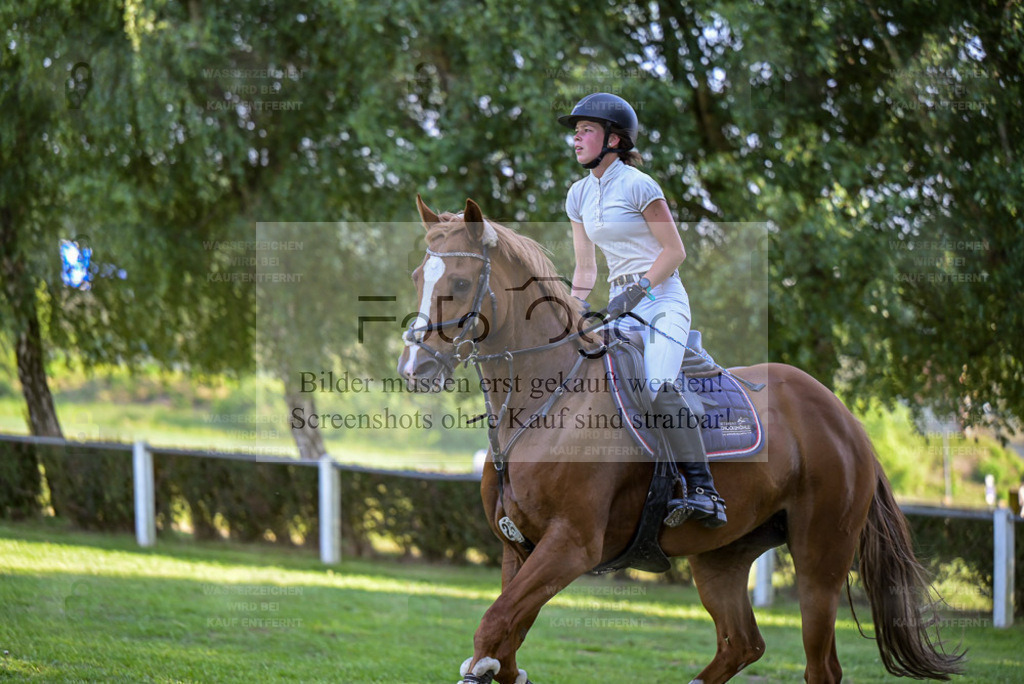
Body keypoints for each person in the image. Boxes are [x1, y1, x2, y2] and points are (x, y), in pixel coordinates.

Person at [559, 92, 727, 528]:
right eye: (575, 133)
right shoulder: (577, 196)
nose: (576, 139)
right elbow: (584, 267)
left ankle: (706, 491)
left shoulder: (639, 185)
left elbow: (675, 251)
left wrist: (636, 294)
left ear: (614, 139)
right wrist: (573, 309)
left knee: (655, 386)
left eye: (586, 131)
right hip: (617, 308)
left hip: (661, 300)